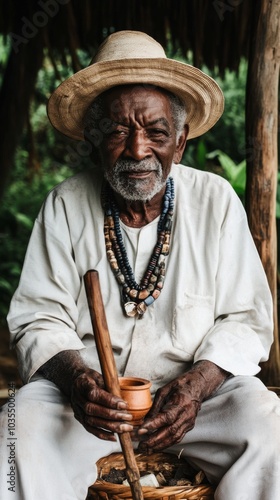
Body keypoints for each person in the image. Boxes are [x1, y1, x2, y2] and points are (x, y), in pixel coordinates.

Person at [0, 30, 279, 500]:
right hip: (90, 406)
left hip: (191, 402)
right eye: (118, 131)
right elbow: (37, 317)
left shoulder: (215, 202)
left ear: (182, 141)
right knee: (17, 426)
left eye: (155, 131)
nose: (136, 150)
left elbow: (247, 320)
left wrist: (194, 387)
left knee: (265, 422)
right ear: (94, 139)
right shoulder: (66, 204)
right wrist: (78, 383)